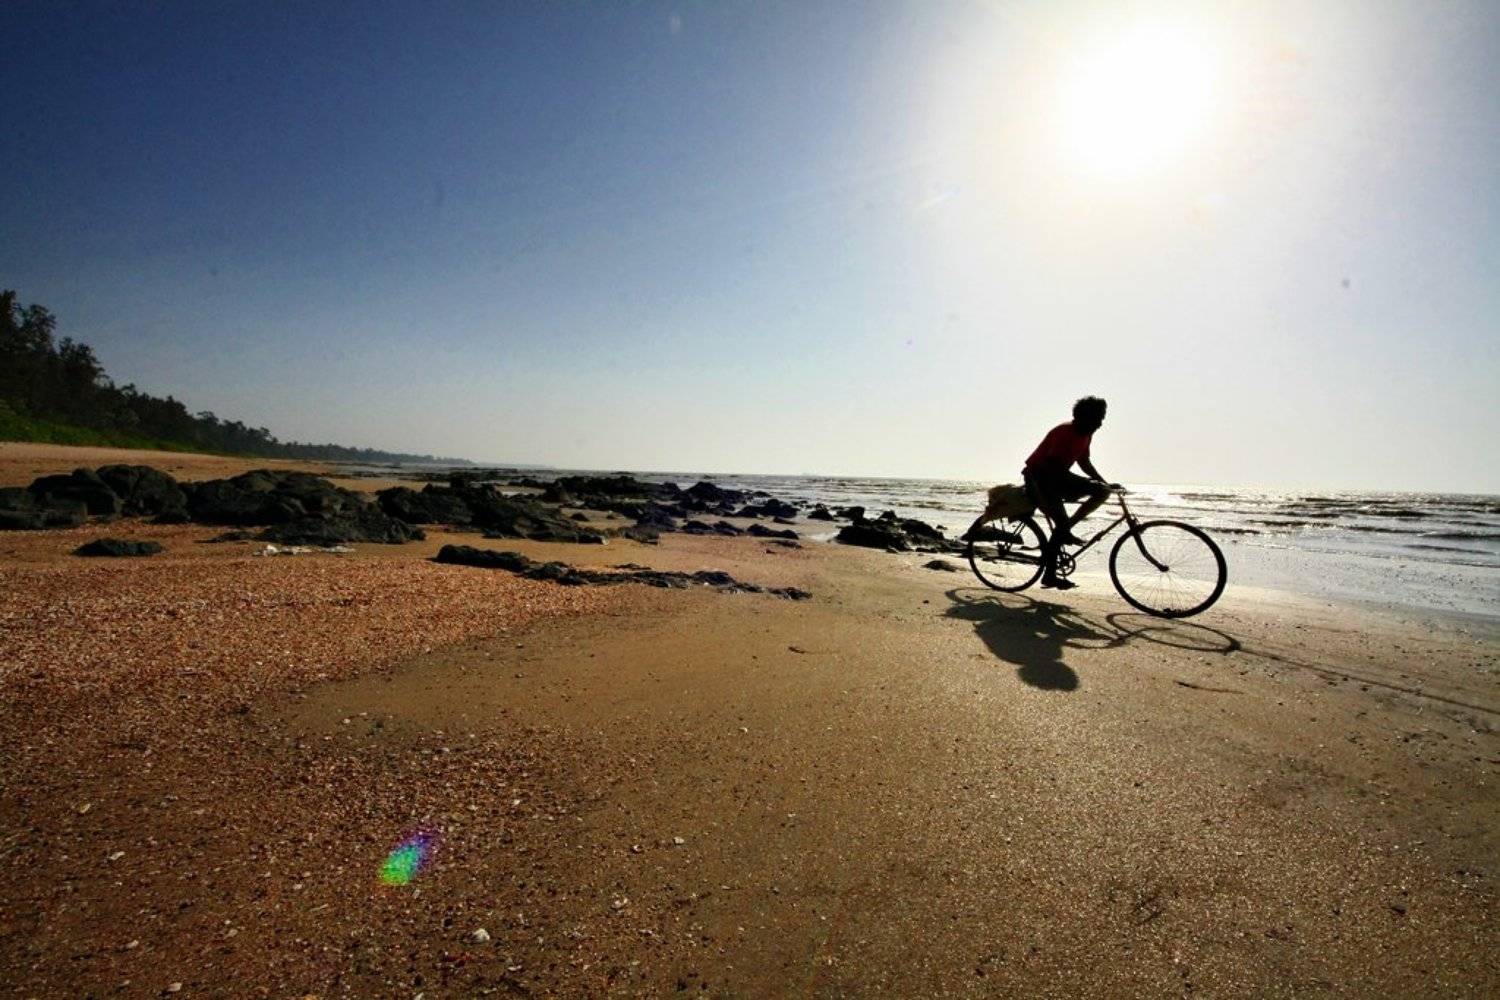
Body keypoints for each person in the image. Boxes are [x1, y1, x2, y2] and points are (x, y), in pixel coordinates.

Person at [1023, 396, 1118, 590]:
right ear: (1083, 417)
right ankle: (1049, 575)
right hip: (1039, 479)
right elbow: (1052, 466)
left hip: (1057, 479)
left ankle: (1066, 528)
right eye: (1096, 419)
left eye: (1101, 419)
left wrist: (1105, 483)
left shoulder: (1086, 434)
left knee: (1102, 492)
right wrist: (1090, 483)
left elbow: (1084, 462)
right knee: (1062, 525)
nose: (1100, 424)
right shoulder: (1064, 432)